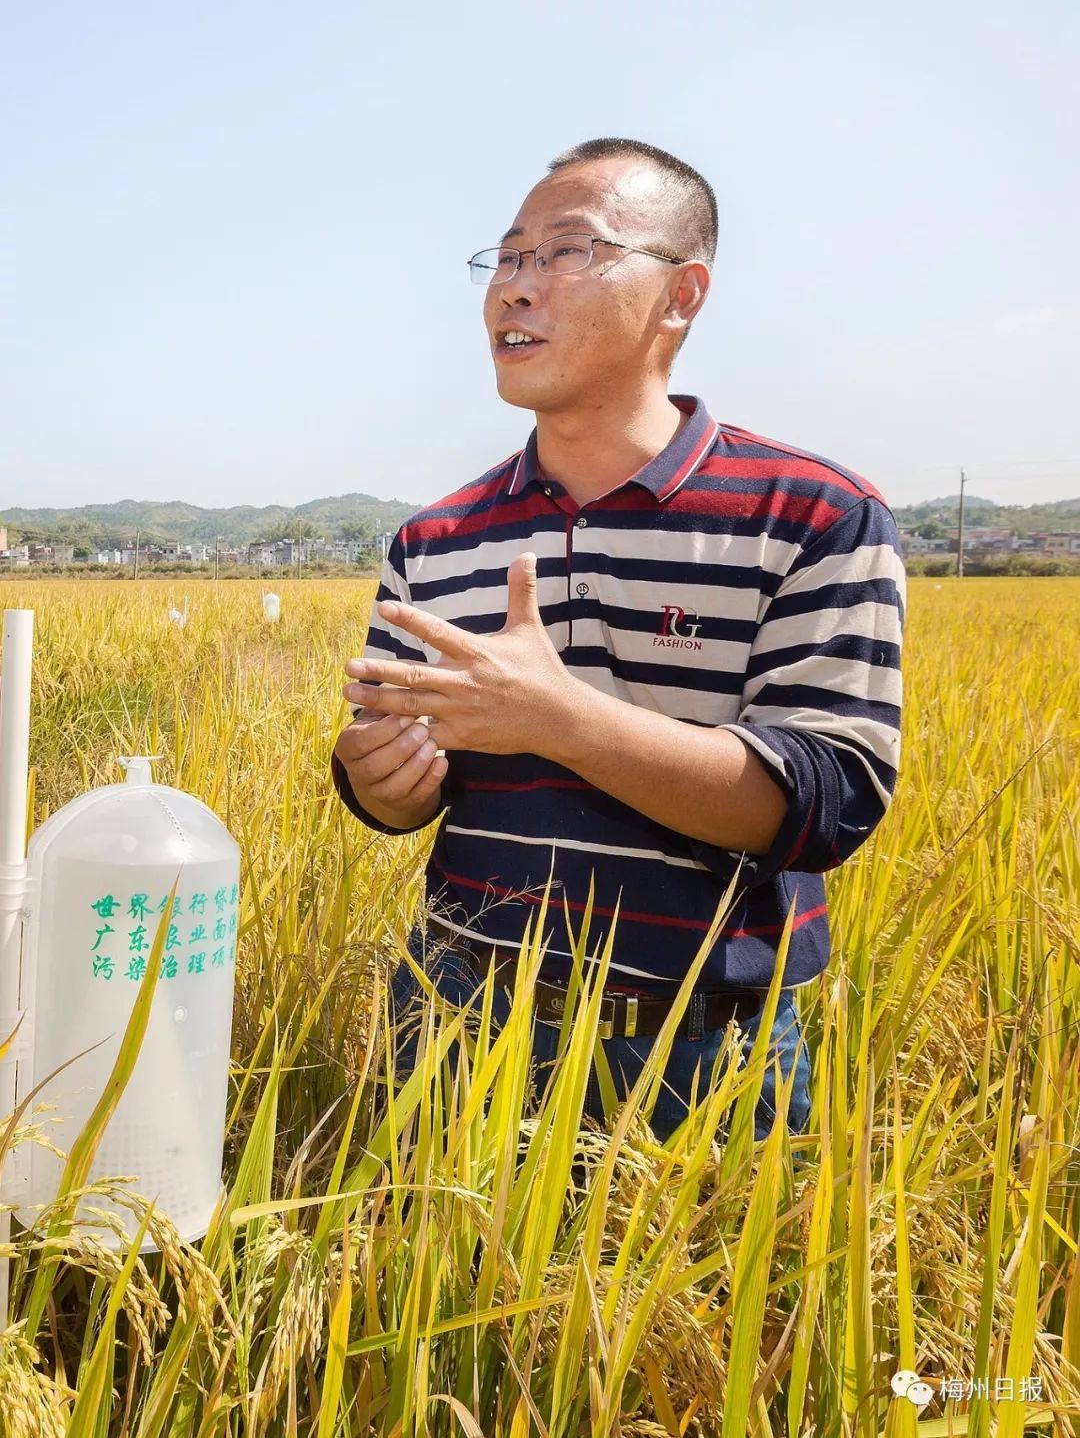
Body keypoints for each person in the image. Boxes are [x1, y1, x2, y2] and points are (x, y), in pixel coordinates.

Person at [330, 137, 906, 1145]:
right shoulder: (436, 538)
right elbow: (398, 783)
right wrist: (381, 778)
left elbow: (827, 795)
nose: (515, 288)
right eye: (506, 260)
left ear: (681, 295)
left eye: (564, 254)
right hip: (455, 1016)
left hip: (699, 1048)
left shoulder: (812, 515)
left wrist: (558, 719)